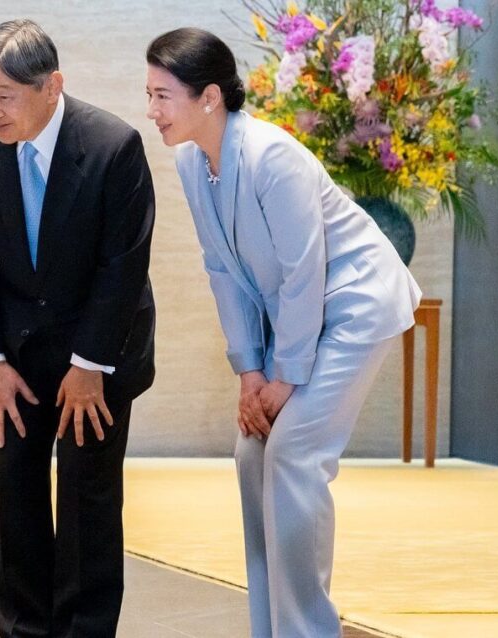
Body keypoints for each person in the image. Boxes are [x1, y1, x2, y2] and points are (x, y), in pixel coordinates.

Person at [146, 28, 421, 638]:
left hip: (354, 307)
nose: (152, 111)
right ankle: (271, 628)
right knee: (253, 452)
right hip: (298, 321)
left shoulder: (274, 155)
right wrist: (250, 372)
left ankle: (309, 631)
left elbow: (304, 269)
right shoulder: (194, 162)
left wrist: (286, 376)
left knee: (293, 450)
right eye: (151, 95)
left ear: (209, 96)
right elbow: (223, 269)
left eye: (164, 96)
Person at [0, 19, 156, 638]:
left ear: (52, 85)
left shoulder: (113, 145)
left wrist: (90, 368)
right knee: (15, 492)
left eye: (5, 97)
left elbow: (123, 267)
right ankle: (25, 631)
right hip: (15, 353)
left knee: (89, 495)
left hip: (101, 346)